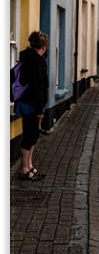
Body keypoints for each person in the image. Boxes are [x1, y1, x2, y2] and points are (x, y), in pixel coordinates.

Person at [16, 31, 49, 181]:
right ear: (43, 47)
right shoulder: (35, 61)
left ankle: (29, 165)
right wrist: (40, 109)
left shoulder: (30, 58)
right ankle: (24, 169)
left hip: (28, 103)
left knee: (33, 135)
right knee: (29, 136)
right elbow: (37, 87)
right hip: (31, 105)